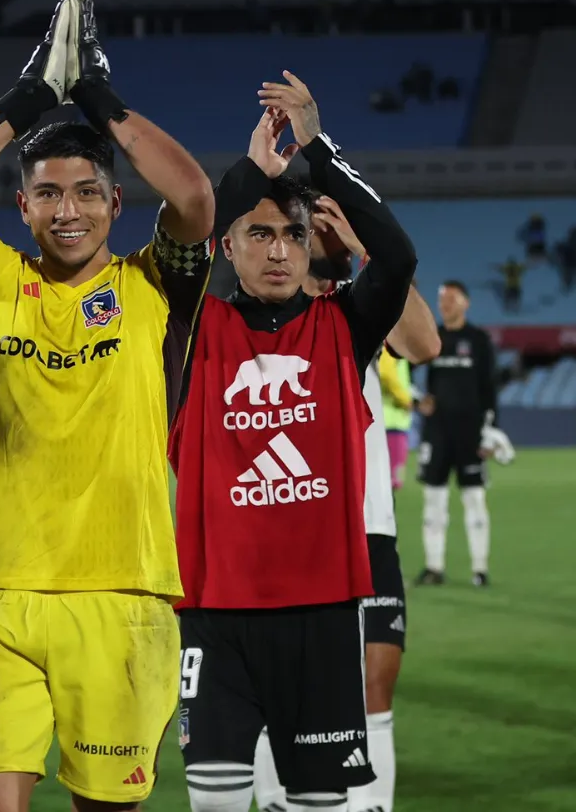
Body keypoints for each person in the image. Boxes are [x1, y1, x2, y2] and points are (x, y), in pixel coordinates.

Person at [0, 0, 214, 812]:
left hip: (124, 596)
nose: (67, 209)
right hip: (1, 599)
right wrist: (34, 93)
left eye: (85, 192)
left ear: (115, 202)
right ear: (23, 205)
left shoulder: (155, 286)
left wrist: (100, 97)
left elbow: (194, 202)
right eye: (47, 192)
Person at [168, 73, 417, 812]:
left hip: (324, 615)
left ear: (312, 246)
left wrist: (317, 152)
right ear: (228, 247)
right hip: (214, 612)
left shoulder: (344, 330)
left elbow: (397, 259)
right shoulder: (191, 335)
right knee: (214, 804)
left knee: (318, 806)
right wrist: (248, 175)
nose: (279, 252)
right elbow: (186, 223)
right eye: (260, 234)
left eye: (293, 235)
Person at [250, 197, 439, 812]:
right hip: (284, 534)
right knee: (276, 693)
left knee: (375, 687)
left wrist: (366, 248)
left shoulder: (358, 308)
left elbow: (423, 345)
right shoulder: (256, 315)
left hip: (368, 528)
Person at [415, 281, 512, 588]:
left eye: (451, 299)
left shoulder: (479, 340)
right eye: (442, 299)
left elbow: (490, 389)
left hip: (470, 433)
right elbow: (426, 381)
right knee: (433, 500)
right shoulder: (434, 336)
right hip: (437, 432)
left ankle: (480, 570)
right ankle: (434, 567)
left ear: (466, 303)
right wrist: (423, 401)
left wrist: (491, 431)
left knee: (474, 498)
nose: (445, 304)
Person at [380, 346, 414, 492]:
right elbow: (386, 373)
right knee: (390, 482)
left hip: (388, 420)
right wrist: (404, 399)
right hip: (391, 420)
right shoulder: (391, 343)